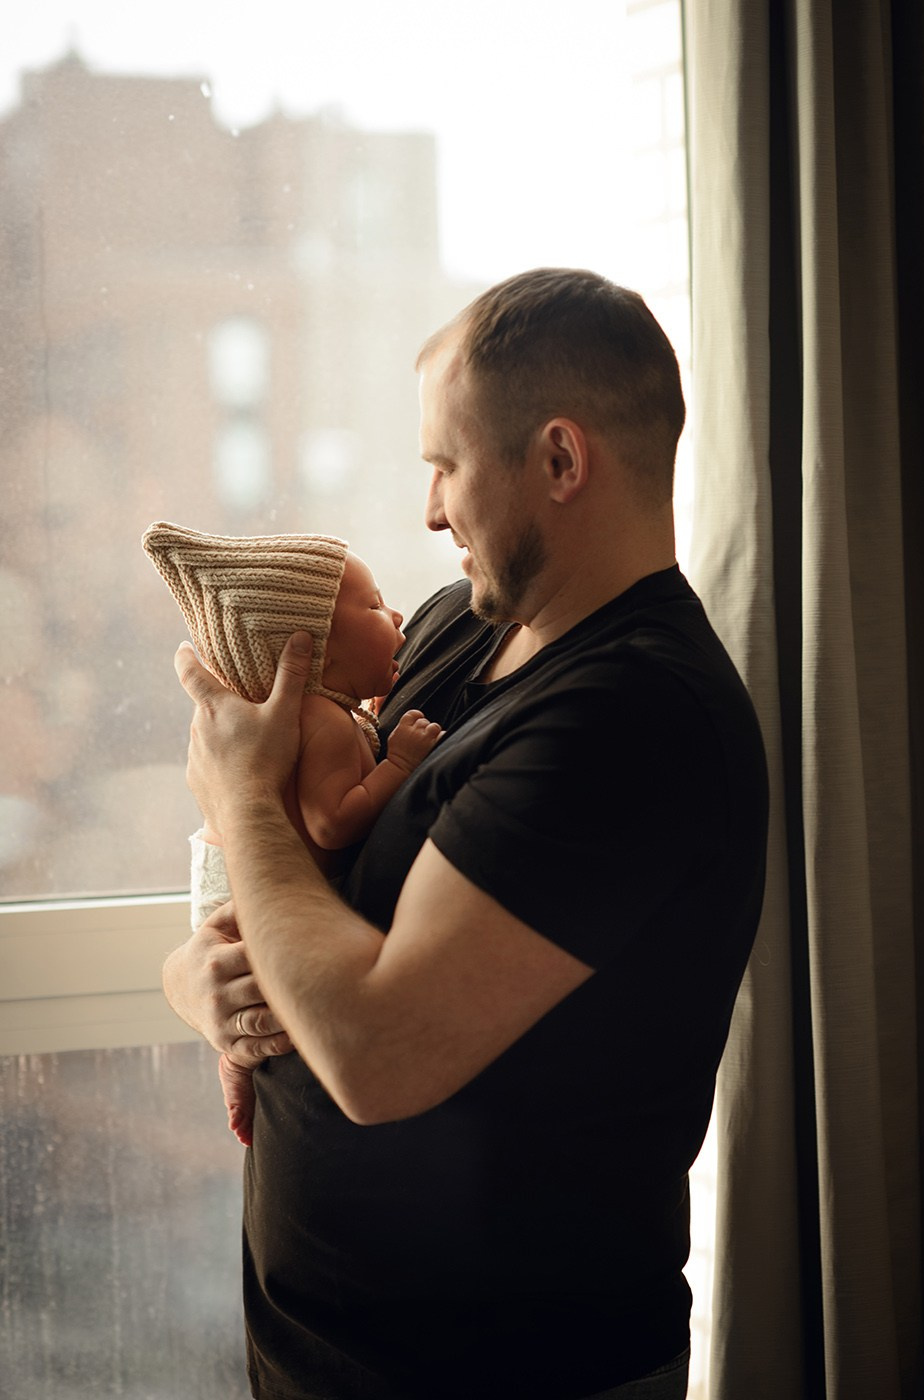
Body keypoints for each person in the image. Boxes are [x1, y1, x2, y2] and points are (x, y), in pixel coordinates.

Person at [162, 268, 770, 1400]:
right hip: (319, 1349)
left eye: (444, 464)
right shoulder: (450, 629)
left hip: (511, 1371)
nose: (429, 509)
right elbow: (315, 863)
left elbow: (376, 1054)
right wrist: (203, 973)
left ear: (557, 460)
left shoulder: (632, 719)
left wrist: (238, 798)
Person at [142, 522, 442, 1143]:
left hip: (228, 883)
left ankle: (237, 1057)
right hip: (244, 898)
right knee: (264, 1006)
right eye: (374, 605)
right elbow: (333, 823)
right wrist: (399, 765)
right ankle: (239, 1056)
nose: (396, 614)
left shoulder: (329, 716)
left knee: (257, 1003)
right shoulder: (325, 723)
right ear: (322, 653)